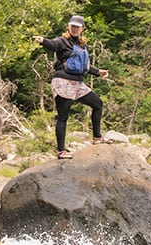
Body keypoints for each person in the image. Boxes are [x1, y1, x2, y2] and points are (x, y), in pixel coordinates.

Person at [34, 15, 112, 160]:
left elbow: (85, 66)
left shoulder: (82, 46)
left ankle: (97, 137)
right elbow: (52, 44)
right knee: (63, 116)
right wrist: (43, 41)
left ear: (83, 29)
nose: (75, 29)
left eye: (78, 27)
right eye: (72, 26)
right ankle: (61, 150)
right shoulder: (62, 41)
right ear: (68, 27)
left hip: (78, 83)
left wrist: (98, 72)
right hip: (63, 81)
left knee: (97, 104)